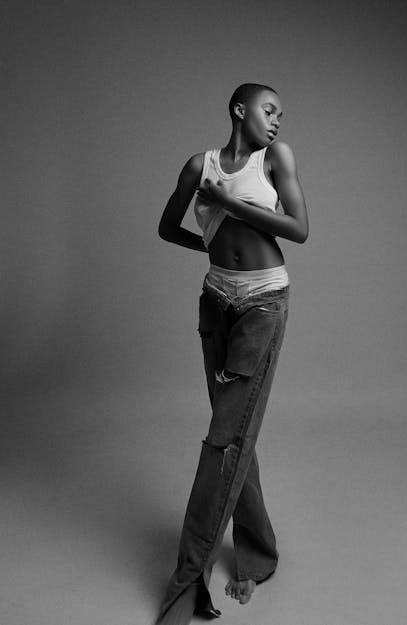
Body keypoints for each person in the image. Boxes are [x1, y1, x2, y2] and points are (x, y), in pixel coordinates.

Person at [155, 83, 308, 625]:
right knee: (235, 433)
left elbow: (299, 229)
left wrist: (227, 205)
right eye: (270, 110)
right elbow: (165, 227)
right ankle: (257, 553)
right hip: (216, 300)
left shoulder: (275, 159)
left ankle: (186, 579)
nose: (277, 121)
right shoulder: (199, 165)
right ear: (239, 110)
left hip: (264, 301)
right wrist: (217, 242)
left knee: (225, 437)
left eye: (281, 115)